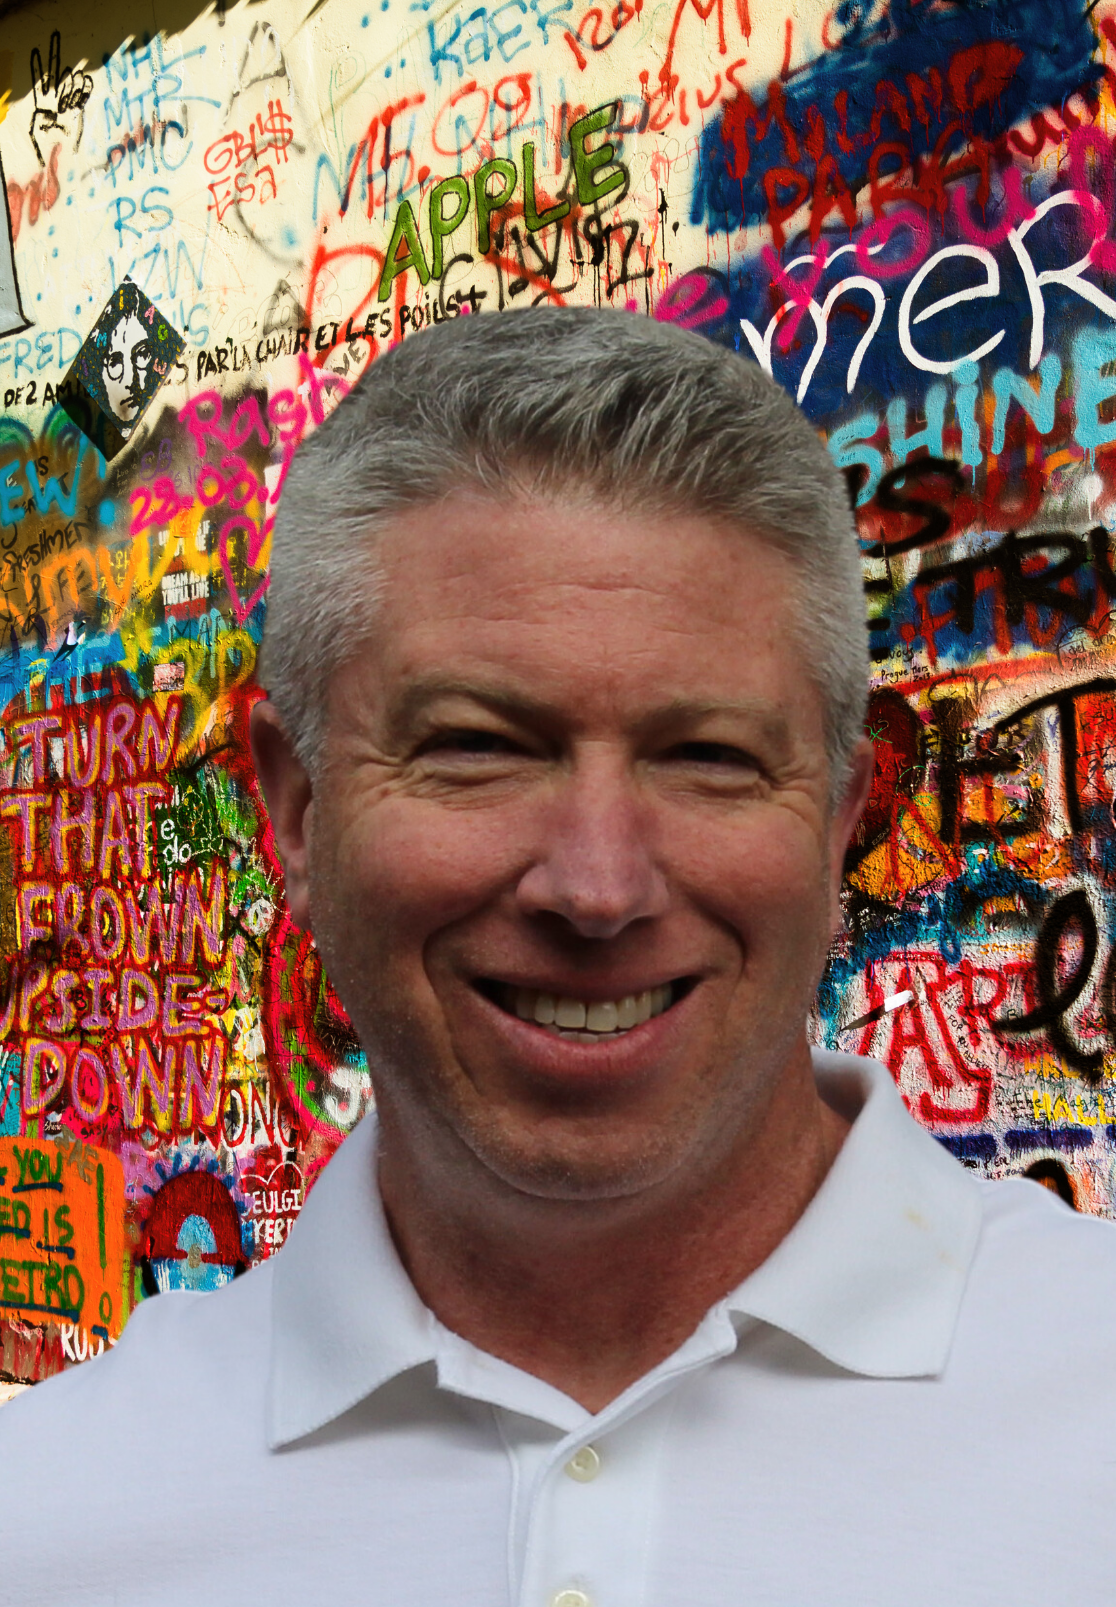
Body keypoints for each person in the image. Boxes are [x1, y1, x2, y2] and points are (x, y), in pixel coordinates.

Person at [1, 308, 1115, 1606]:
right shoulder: (55, 1520)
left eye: (708, 758)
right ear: (295, 814)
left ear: (838, 822)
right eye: (478, 747)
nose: (597, 887)